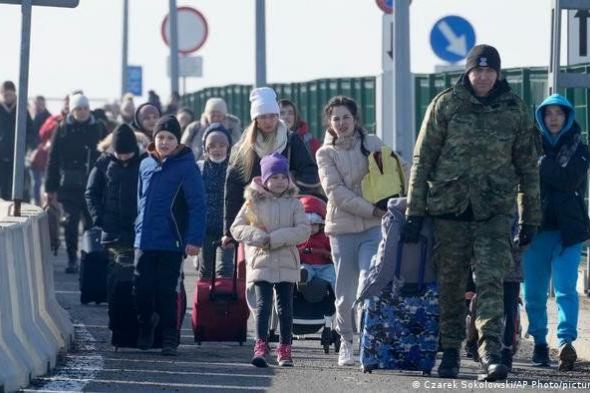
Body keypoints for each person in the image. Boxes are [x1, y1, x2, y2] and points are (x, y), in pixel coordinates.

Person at [402, 44, 541, 381]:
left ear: (498, 73)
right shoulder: (446, 104)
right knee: (450, 286)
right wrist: (414, 212)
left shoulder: (515, 110)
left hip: (494, 212)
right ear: (467, 72)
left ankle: (491, 353)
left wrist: (530, 217)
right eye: (477, 71)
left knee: (492, 282)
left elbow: (527, 168)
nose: (483, 77)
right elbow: (423, 161)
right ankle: (449, 351)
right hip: (449, 211)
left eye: (489, 71)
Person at [316, 95, 401, 367]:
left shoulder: (372, 142)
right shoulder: (325, 153)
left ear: (355, 119)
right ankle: (346, 340)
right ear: (329, 123)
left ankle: (368, 341)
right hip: (342, 229)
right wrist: (372, 210)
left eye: (346, 117)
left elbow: (397, 169)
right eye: (336, 118)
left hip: (374, 228)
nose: (342, 123)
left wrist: (414, 192)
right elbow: (336, 193)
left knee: (369, 281)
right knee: (345, 292)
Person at [522, 94, 590, 372]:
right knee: (535, 293)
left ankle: (566, 343)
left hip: (567, 232)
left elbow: (569, 180)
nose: (553, 118)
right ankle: (539, 341)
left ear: (567, 117)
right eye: (548, 113)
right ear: (540, 117)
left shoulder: (580, 148)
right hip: (535, 230)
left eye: (558, 114)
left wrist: (540, 165)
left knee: (565, 291)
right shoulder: (527, 147)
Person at [134, 115, 206, 356]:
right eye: (160, 137)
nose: (164, 142)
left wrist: (195, 239)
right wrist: (136, 228)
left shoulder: (187, 167)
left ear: (178, 141)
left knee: (167, 291)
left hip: (172, 240)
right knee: (141, 288)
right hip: (144, 240)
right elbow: (140, 200)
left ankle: (169, 336)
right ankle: (145, 324)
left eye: (170, 138)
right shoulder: (145, 164)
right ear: (154, 139)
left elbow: (198, 205)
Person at [231, 152, 310, 368]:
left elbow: (303, 230)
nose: (279, 182)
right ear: (265, 179)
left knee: (285, 307)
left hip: (286, 261)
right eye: (274, 177)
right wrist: (258, 237)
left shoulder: (294, 203)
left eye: (283, 177)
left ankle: (285, 347)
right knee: (263, 305)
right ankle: (261, 344)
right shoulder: (252, 203)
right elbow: (237, 227)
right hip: (261, 261)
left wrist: (276, 238)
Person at [222, 87, 319, 249]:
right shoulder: (245, 147)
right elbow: (232, 189)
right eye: (263, 117)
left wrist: (288, 183)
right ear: (255, 119)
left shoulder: (291, 140)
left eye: (272, 116)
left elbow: (310, 173)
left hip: (286, 217)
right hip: (255, 220)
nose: (268, 121)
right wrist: (229, 231)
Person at [45, 92, 107, 273]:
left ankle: (88, 258)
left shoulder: (98, 128)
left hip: (93, 183)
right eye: (78, 109)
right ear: (72, 110)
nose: (82, 112)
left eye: (85, 108)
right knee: (70, 222)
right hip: (69, 185)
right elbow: (53, 158)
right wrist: (50, 187)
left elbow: (107, 154)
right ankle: (72, 258)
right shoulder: (63, 128)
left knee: (91, 223)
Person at [85, 123, 143, 265]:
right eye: (119, 154)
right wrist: (99, 218)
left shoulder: (144, 163)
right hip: (110, 230)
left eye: (127, 154)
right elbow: (91, 193)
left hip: (137, 229)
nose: (123, 158)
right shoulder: (103, 164)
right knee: (111, 273)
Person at [195, 122, 234, 279]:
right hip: (206, 227)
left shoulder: (234, 169)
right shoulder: (199, 168)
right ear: (206, 148)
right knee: (206, 269)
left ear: (228, 147)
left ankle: (225, 301)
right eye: (212, 146)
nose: (217, 149)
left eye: (222, 145)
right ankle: (205, 301)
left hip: (228, 228)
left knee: (225, 269)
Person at [0, 81, 35, 200]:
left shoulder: (21, 110)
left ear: (14, 94)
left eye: (10, 94)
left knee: (16, 189)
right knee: (2, 189)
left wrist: (25, 146)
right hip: (1, 156)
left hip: (17, 157)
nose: (8, 97)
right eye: (5, 95)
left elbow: (30, 131)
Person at [181, 97, 242, 161]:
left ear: (224, 116)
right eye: (212, 115)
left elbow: (238, 148)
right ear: (207, 115)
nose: (215, 118)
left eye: (218, 116)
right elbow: (183, 148)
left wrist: (226, 131)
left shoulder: (232, 128)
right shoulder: (195, 127)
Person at [296, 195, 335, 291]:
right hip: (307, 265)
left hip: (324, 266)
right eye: (308, 225)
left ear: (321, 225)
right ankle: (301, 280)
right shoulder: (299, 238)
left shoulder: (325, 237)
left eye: (314, 225)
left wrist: (329, 254)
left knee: (333, 275)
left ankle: (339, 296)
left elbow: (332, 251)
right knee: (303, 270)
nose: (311, 228)